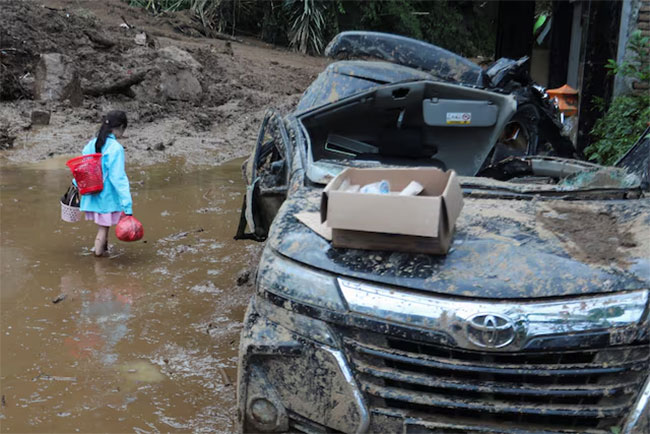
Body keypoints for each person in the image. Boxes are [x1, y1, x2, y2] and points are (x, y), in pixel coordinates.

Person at [80, 110, 132, 257]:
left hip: (93, 194)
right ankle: (99, 261)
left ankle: (105, 250)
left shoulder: (92, 144)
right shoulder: (115, 148)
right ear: (121, 127)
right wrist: (127, 204)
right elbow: (118, 177)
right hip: (107, 197)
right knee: (103, 229)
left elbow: (83, 168)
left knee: (105, 226)